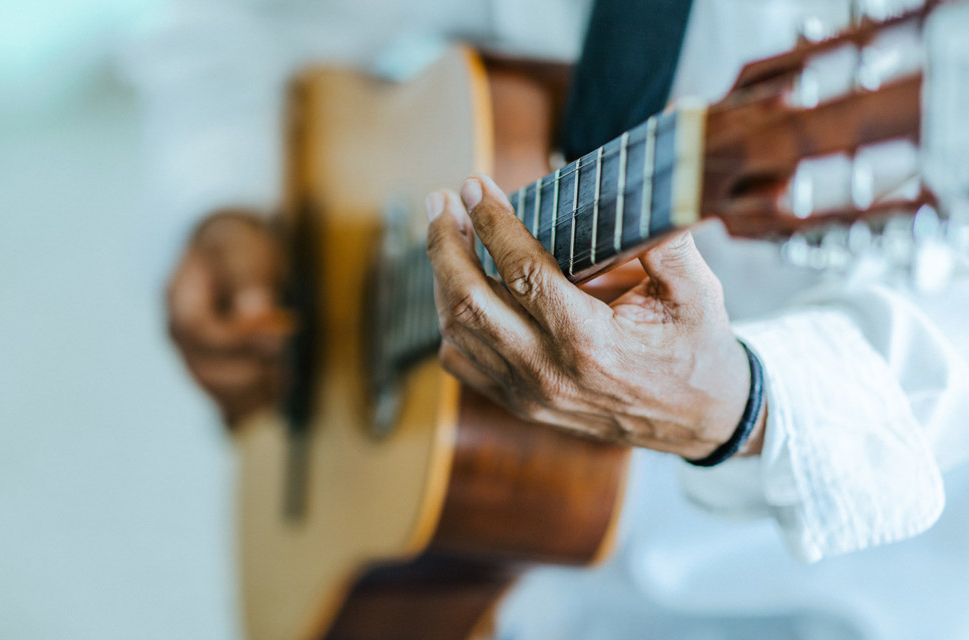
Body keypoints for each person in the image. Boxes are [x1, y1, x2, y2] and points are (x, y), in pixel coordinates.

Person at [158, 0, 969, 636]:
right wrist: (228, 198)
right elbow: (252, 23)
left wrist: (751, 402)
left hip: (846, 594)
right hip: (482, 572)